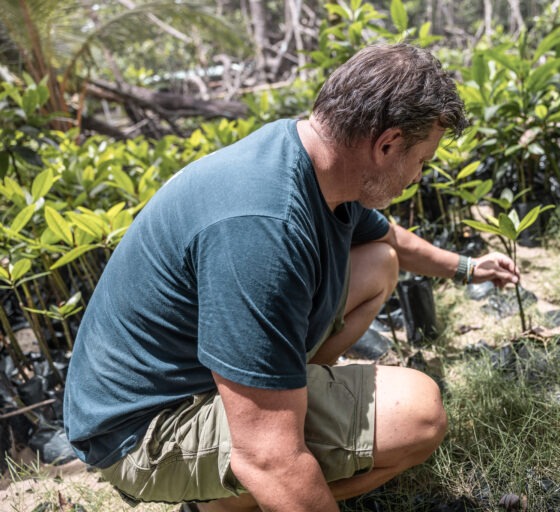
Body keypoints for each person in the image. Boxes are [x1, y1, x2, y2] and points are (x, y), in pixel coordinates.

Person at [63, 43, 520, 512]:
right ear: (387, 144)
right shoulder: (264, 228)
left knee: (378, 261)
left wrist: (466, 268)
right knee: (419, 415)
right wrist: (270, 457)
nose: (418, 177)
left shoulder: (311, 160)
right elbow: (268, 456)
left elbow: (392, 240)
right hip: (146, 433)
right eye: (422, 161)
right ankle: (225, 502)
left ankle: (260, 441)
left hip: (189, 375)